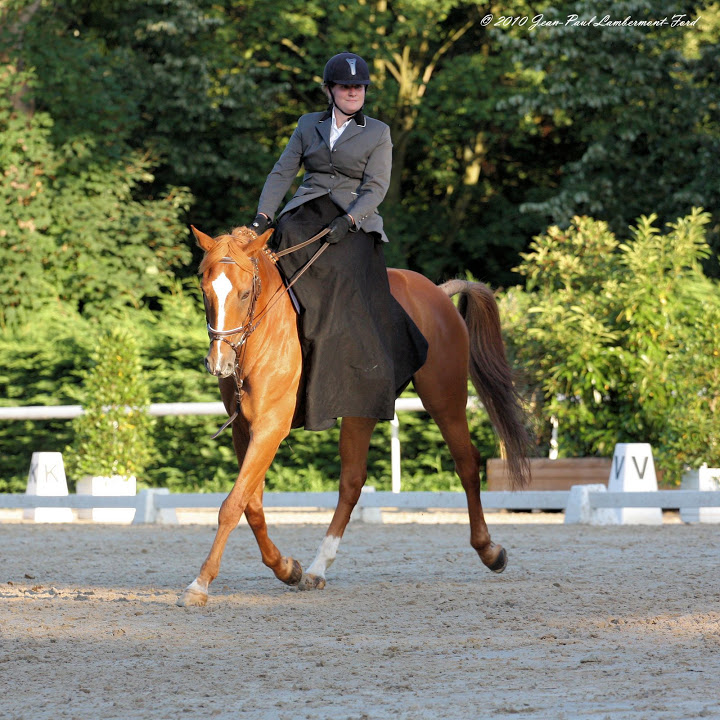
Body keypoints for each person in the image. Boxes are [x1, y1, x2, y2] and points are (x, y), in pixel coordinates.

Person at [248, 51, 428, 431]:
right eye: (346, 86)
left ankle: (341, 373)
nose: (353, 92)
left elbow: (376, 187)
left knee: (343, 277)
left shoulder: (378, 132)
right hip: (305, 212)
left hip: (351, 219)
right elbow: (282, 173)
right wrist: (263, 217)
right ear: (329, 89)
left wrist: (350, 219)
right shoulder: (307, 124)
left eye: (359, 86)